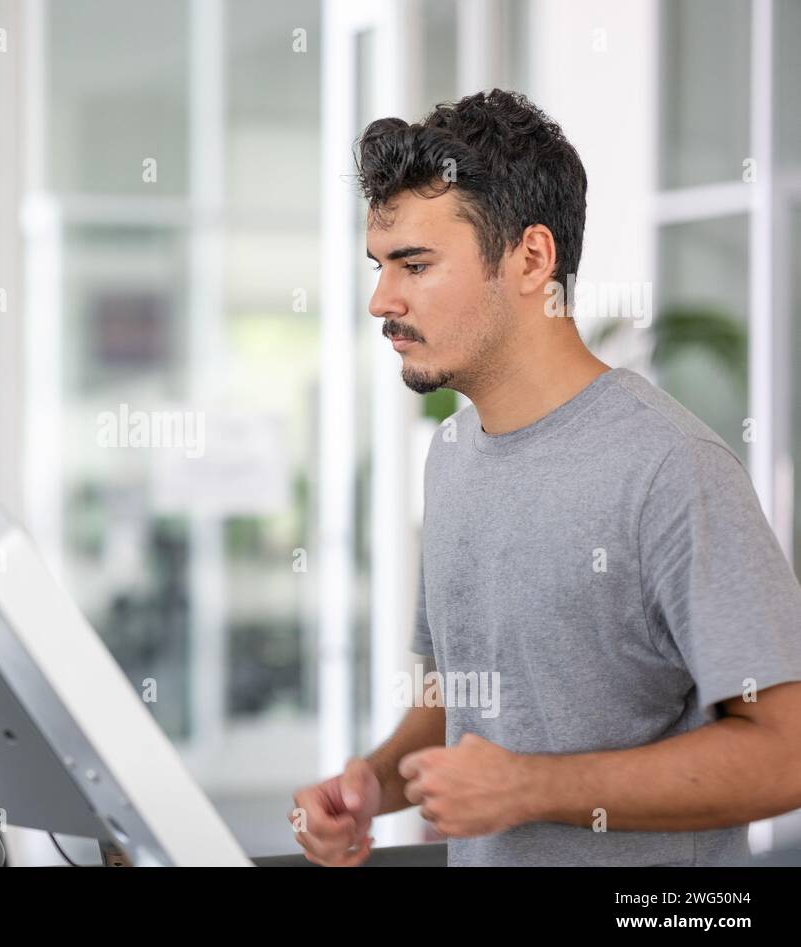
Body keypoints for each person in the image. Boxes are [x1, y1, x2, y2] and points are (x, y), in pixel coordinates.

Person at [291, 89, 801, 866]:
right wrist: (372, 782)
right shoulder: (452, 456)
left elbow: (785, 752)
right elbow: (459, 701)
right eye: (380, 266)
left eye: (415, 265)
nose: (380, 300)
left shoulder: (670, 469)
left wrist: (528, 787)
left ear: (532, 259)